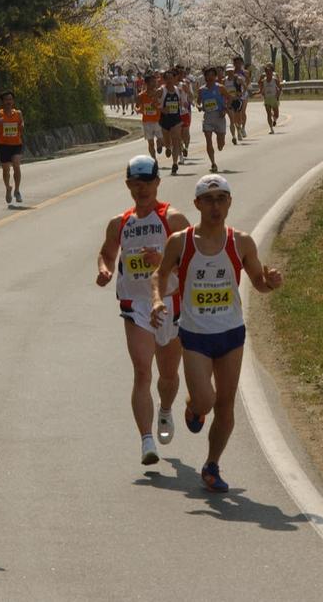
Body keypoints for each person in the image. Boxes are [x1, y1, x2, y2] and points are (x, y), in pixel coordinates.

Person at [150, 174, 283, 493]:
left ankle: (211, 465)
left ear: (230, 202)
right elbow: (160, 274)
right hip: (195, 335)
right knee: (206, 401)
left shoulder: (241, 242)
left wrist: (271, 283)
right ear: (197, 204)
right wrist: (156, 299)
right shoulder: (180, 242)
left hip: (230, 333)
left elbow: (259, 282)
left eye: (221, 199)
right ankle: (194, 406)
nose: (215, 206)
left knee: (225, 405)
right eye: (208, 200)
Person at [96, 155, 191, 465]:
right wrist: (105, 270)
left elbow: (193, 260)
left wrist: (163, 262)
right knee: (141, 372)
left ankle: (165, 409)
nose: (142, 189)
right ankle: (146, 440)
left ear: (157, 183)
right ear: (128, 185)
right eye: (135, 184)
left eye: (147, 183)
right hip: (135, 305)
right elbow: (107, 254)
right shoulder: (120, 223)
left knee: (168, 376)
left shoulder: (173, 220)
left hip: (170, 303)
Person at [0, 90, 25, 205]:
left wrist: (21, 126)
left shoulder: (18, 113)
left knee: (16, 164)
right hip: (4, 145)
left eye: (10, 99)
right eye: (6, 100)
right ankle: (8, 188)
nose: (8, 102)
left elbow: (22, 125)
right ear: (2, 102)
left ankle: (17, 190)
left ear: (13, 101)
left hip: (16, 144)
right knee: (6, 170)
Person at [197, 67, 232, 173]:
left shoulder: (220, 88)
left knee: (220, 145)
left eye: (212, 75)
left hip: (219, 116)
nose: (210, 77)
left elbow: (229, 98)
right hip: (208, 117)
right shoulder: (201, 90)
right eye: (208, 75)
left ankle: (221, 141)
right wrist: (199, 106)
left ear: (215, 76)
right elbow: (198, 102)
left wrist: (225, 109)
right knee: (208, 140)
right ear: (205, 77)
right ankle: (213, 163)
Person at [157, 70, 187, 175]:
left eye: (171, 78)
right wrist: (162, 109)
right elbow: (153, 103)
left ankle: (175, 164)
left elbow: (182, 102)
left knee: (176, 140)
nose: (169, 80)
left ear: (174, 79)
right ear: (164, 80)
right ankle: (167, 147)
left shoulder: (178, 90)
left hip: (176, 119)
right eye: (167, 78)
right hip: (165, 119)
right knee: (167, 142)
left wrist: (184, 104)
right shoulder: (161, 91)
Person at [137, 73, 163, 158]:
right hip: (147, 122)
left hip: (158, 121)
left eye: (155, 81)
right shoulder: (141, 95)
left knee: (161, 140)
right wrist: (138, 109)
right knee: (150, 143)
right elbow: (137, 106)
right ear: (147, 83)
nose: (155, 83)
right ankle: (154, 160)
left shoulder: (159, 93)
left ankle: (159, 144)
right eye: (152, 82)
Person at [223, 64, 245, 145]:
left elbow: (245, 87)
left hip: (237, 101)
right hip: (229, 102)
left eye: (231, 71)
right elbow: (222, 91)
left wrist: (241, 93)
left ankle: (238, 129)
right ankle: (233, 137)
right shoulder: (224, 80)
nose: (230, 72)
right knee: (232, 120)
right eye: (228, 71)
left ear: (233, 71)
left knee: (238, 119)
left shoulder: (238, 79)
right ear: (226, 72)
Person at [258, 64, 282, 133]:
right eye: (267, 72)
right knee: (268, 114)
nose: (269, 73)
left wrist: (278, 95)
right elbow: (260, 87)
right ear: (265, 73)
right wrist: (261, 92)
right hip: (267, 99)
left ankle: (274, 119)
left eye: (270, 72)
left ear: (272, 72)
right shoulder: (263, 81)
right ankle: (271, 128)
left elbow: (280, 88)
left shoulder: (275, 80)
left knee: (276, 115)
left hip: (274, 98)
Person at [177, 67, 195, 159]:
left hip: (185, 111)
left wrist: (189, 101)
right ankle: (181, 153)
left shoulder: (185, 84)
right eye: (178, 74)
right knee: (178, 134)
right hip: (175, 113)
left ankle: (186, 148)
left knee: (186, 132)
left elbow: (191, 94)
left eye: (182, 74)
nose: (180, 76)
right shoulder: (169, 86)